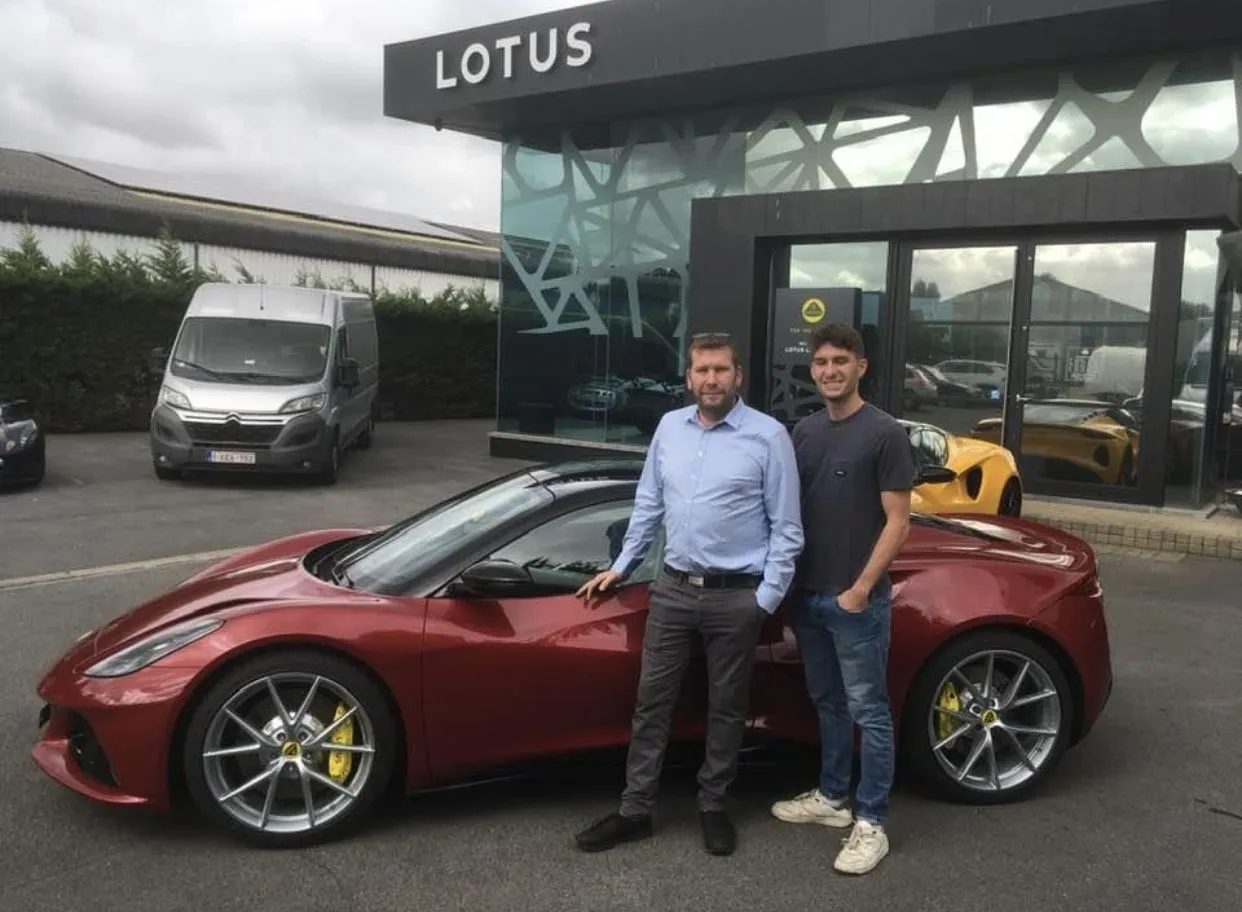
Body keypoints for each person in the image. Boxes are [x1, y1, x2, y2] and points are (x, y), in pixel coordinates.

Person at [572, 331, 803, 857]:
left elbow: (787, 528)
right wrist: (622, 566)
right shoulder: (669, 428)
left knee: (727, 707)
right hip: (673, 590)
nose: (711, 379)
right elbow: (648, 505)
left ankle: (713, 805)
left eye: (721, 370)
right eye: (702, 370)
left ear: (737, 375)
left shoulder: (768, 437)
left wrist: (764, 600)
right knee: (652, 703)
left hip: (735, 597)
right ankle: (635, 810)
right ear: (689, 378)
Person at [769, 322, 915, 876]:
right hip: (808, 598)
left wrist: (860, 589)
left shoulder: (884, 433)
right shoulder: (804, 432)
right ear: (813, 370)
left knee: (869, 711)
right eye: (822, 362)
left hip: (856, 603)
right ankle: (833, 797)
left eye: (840, 361)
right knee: (827, 702)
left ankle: (871, 822)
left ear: (861, 366)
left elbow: (898, 522)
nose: (830, 371)